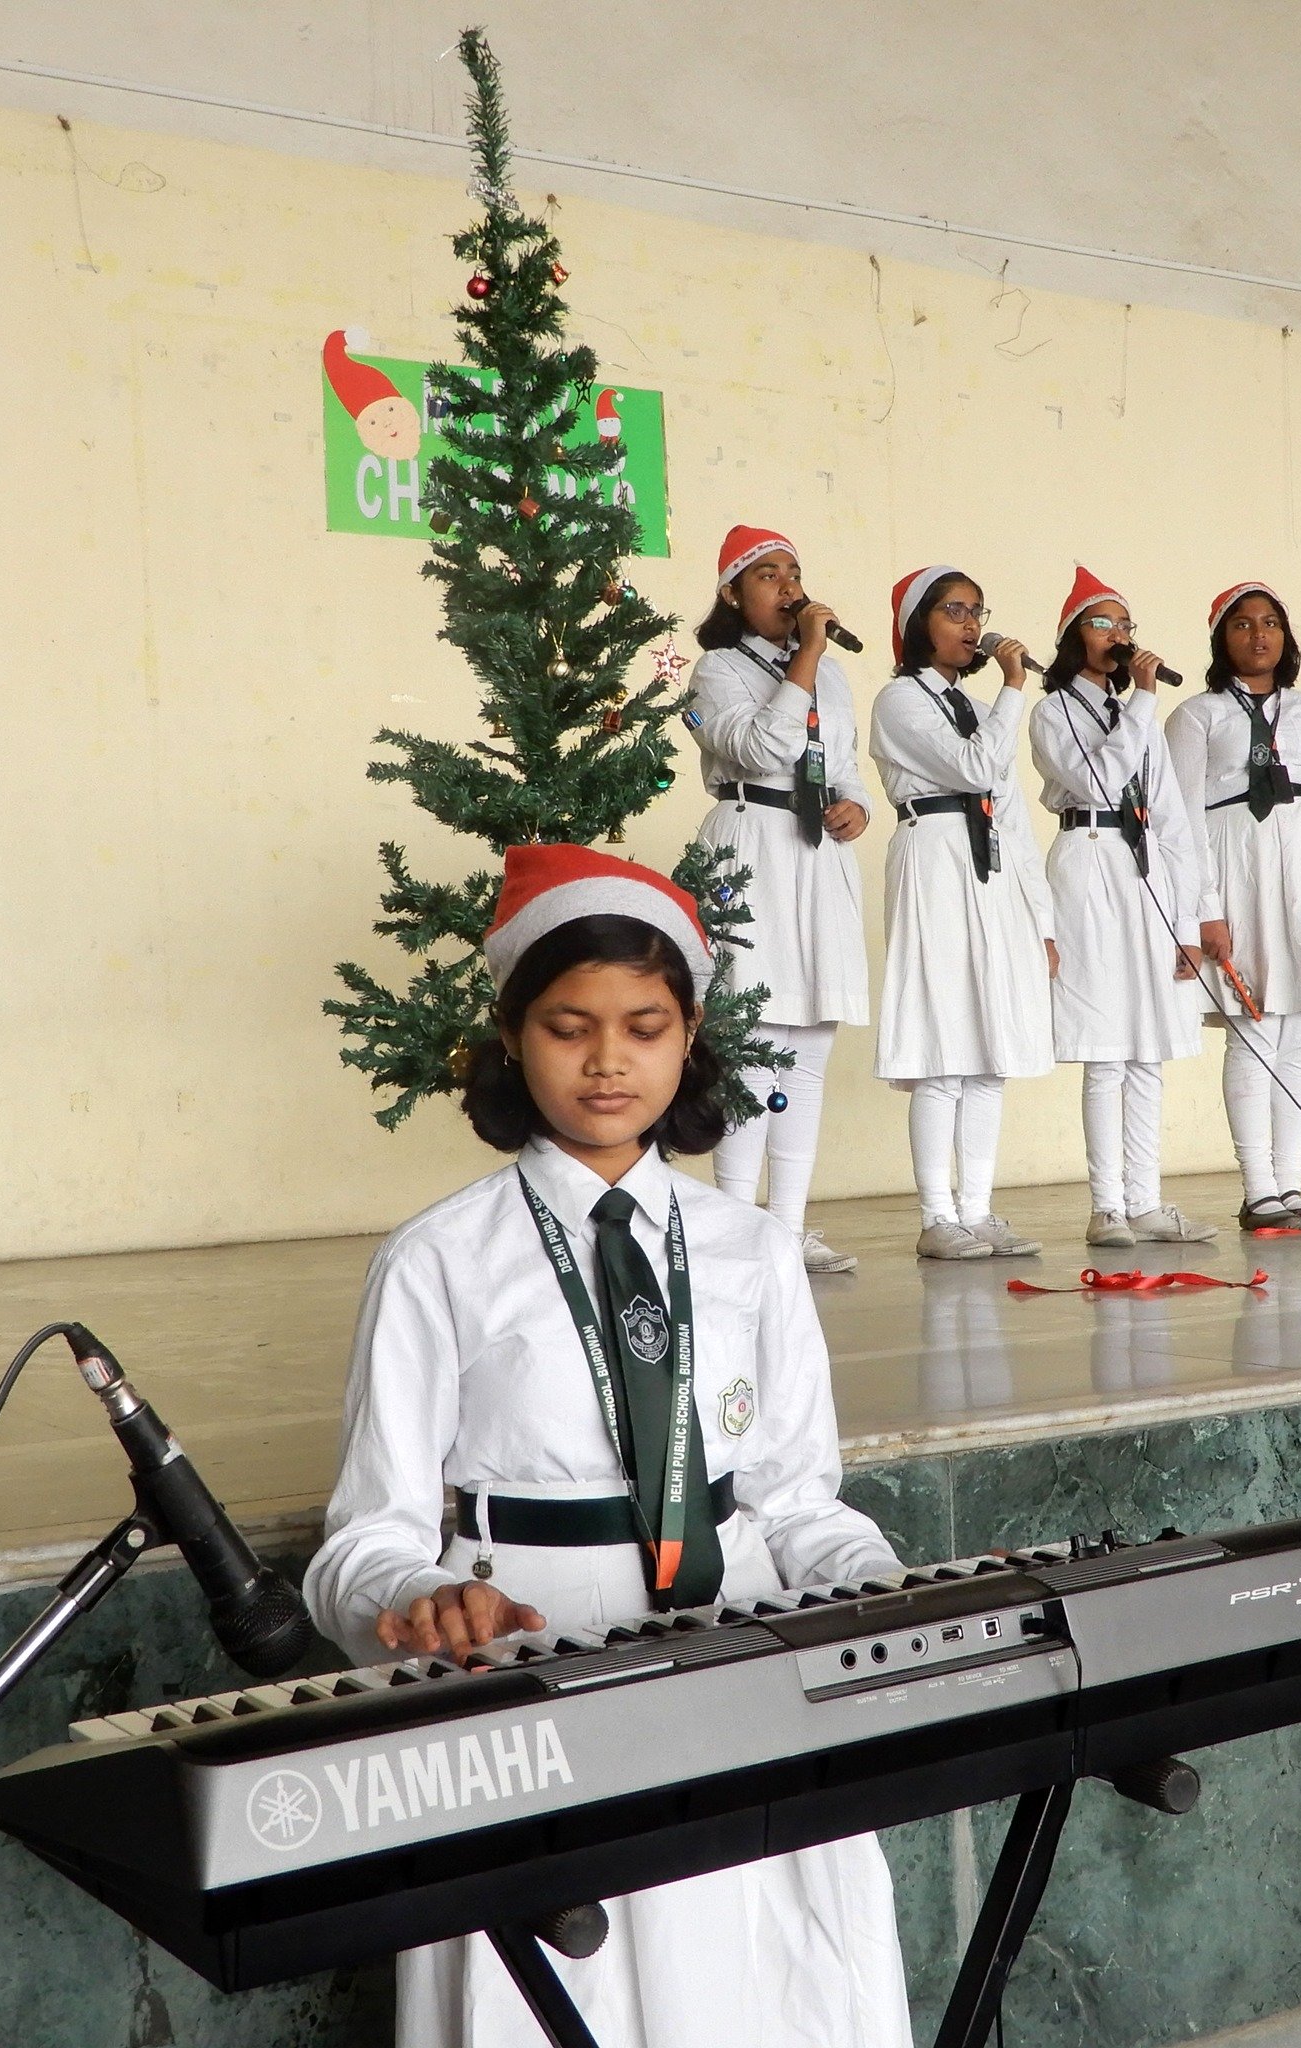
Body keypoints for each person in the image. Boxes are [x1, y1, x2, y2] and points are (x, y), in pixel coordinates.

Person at [303, 843, 913, 2048]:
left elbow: (797, 1500)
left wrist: (891, 1592)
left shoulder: (752, 1249)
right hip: (533, 1680)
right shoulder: (438, 1258)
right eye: (567, 1026)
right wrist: (421, 1596)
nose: (606, 1061)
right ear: (510, 1037)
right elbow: (363, 1539)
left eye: (643, 1027)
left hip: (748, 1672)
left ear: (689, 1037)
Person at [1164, 583, 1301, 1233]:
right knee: (1254, 1029)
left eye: (1270, 623)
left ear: (1285, 637)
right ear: (1220, 639)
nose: (1258, 634)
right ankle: (1258, 1189)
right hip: (1239, 877)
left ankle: (1291, 1185)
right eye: (1242, 624)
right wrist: (1203, 909)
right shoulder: (1197, 715)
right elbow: (1181, 821)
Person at [686, 525, 872, 1275]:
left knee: (808, 1047)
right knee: (750, 1041)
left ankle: (788, 1229)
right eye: (768, 575)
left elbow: (844, 765)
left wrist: (857, 806)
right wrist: (807, 657)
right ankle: (737, 1228)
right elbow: (763, 747)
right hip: (752, 848)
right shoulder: (716, 669)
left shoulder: (830, 675)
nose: (789, 586)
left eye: (794, 571)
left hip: (816, 855)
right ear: (733, 594)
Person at [869, 564, 1056, 1260]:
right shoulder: (899, 700)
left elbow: (1013, 816)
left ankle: (977, 1210)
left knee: (988, 1052)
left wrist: (1041, 921)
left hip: (992, 873)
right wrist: (1013, 687)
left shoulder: (979, 710)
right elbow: (974, 769)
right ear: (920, 623)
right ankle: (936, 1215)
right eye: (955, 610)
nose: (972, 624)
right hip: (935, 861)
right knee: (943, 1046)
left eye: (978, 611)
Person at [1027, 566, 1215, 1249]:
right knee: (1106, 1045)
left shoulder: (1139, 715)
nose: (1118, 634)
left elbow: (1172, 819)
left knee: (1146, 1047)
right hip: (1089, 861)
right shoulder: (1054, 711)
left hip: (1146, 872)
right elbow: (1100, 780)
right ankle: (1107, 1204)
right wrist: (1142, 701)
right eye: (1102, 623)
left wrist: (1187, 922)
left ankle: (1147, 1200)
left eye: (1125, 624)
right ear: (1073, 637)